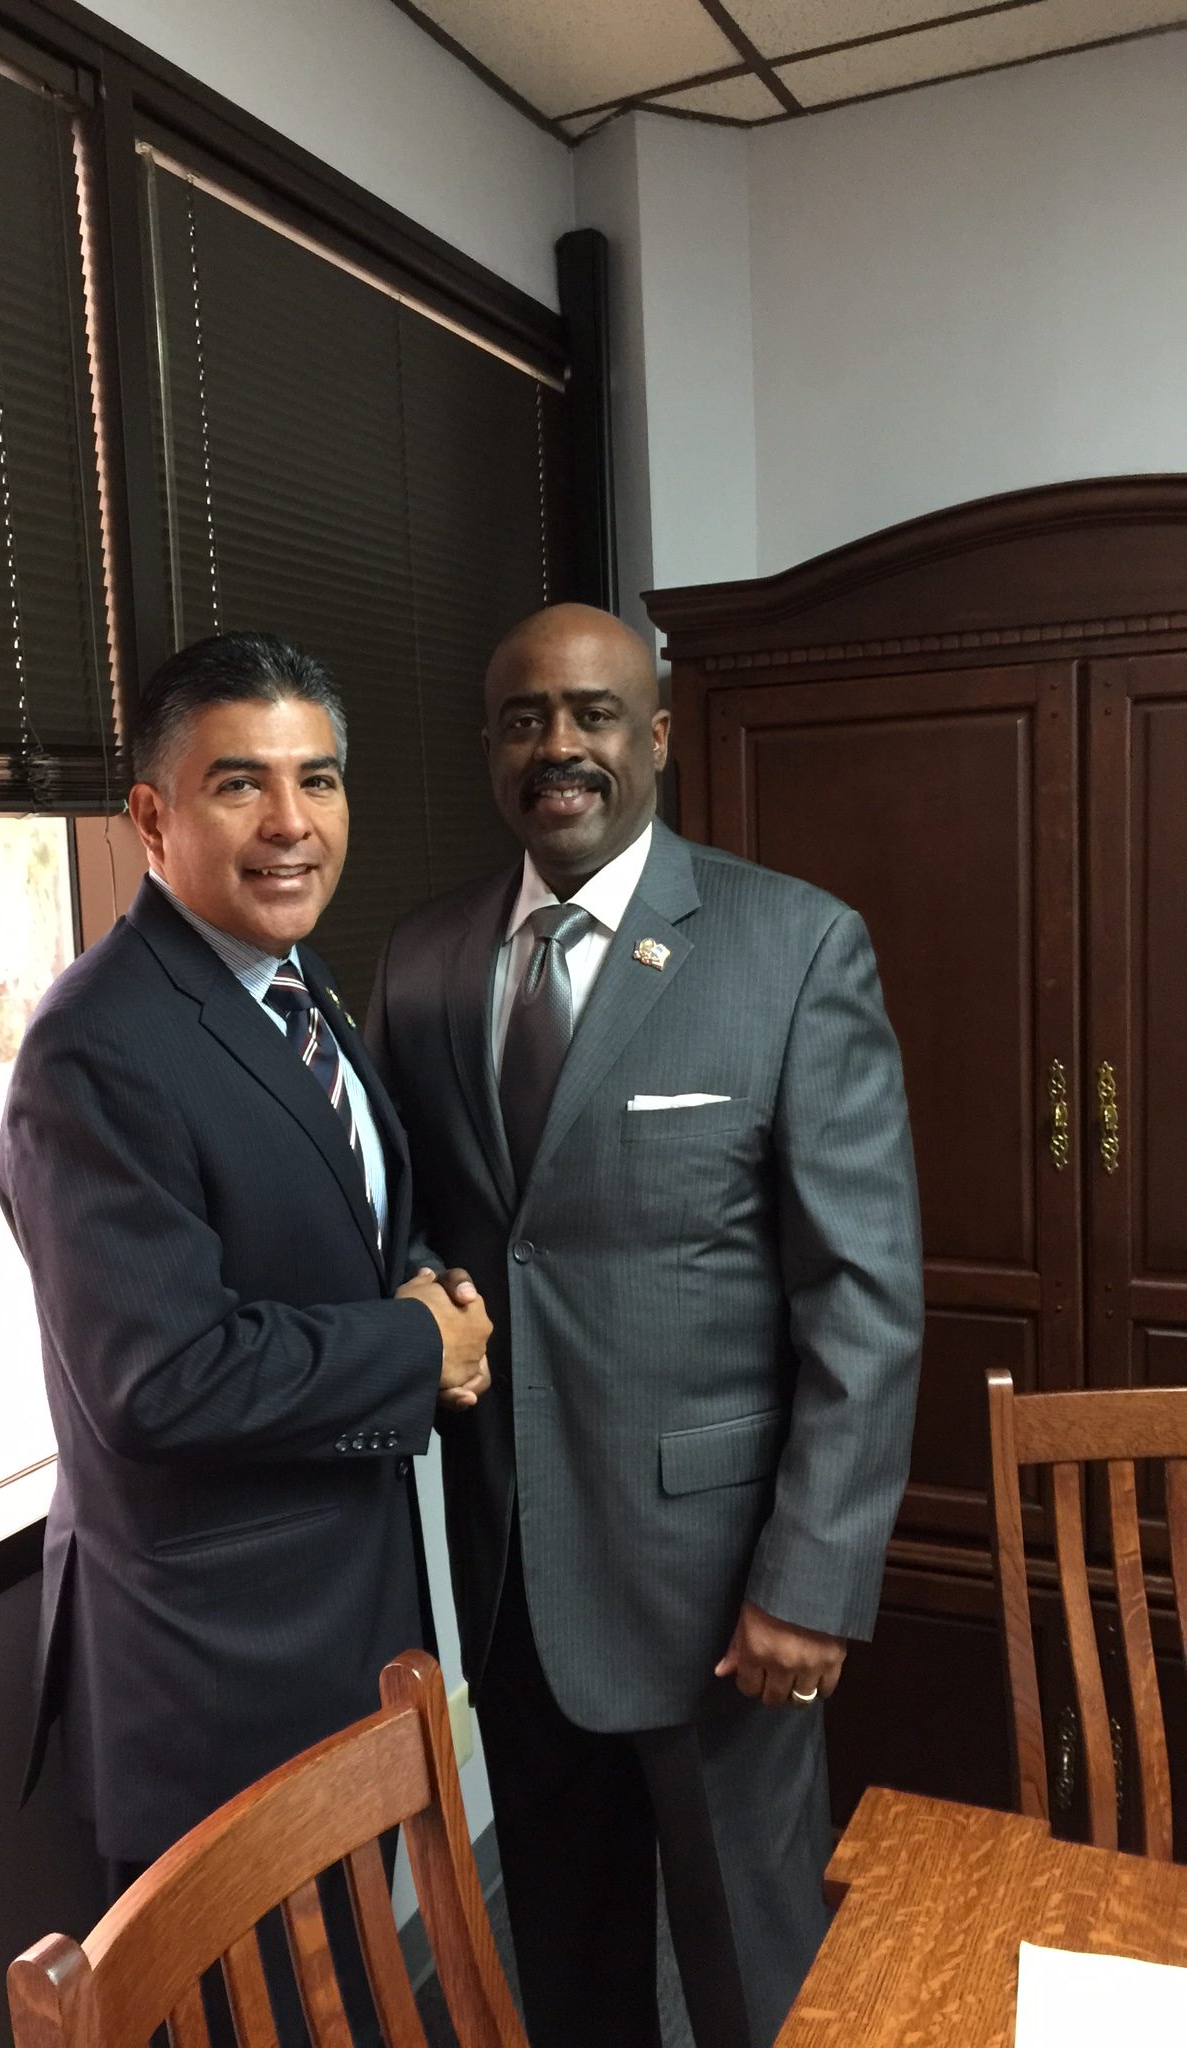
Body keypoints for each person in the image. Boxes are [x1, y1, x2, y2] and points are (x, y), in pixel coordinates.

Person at [367, 602, 923, 2048]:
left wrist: (815, 1577)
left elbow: (862, 1294)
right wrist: (420, 1302)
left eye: (594, 713)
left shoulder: (792, 946)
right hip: (513, 1578)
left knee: (753, 1972)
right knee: (569, 1963)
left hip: (723, 1593)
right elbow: (415, 1218)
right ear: (490, 748)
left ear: (657, 737)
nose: (558, 745)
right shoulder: (421, 963)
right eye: (524, 719)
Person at [0, 630, 491, 2041]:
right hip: (212, 1668)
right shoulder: (96, 1047)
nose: (291, 822)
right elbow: (159, 1380)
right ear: (152, 817)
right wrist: (417, 1353)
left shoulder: (291, 984)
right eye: (240, 784)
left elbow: (346, 1222)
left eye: (317, 779)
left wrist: (433, 1295)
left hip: (342, 1626)